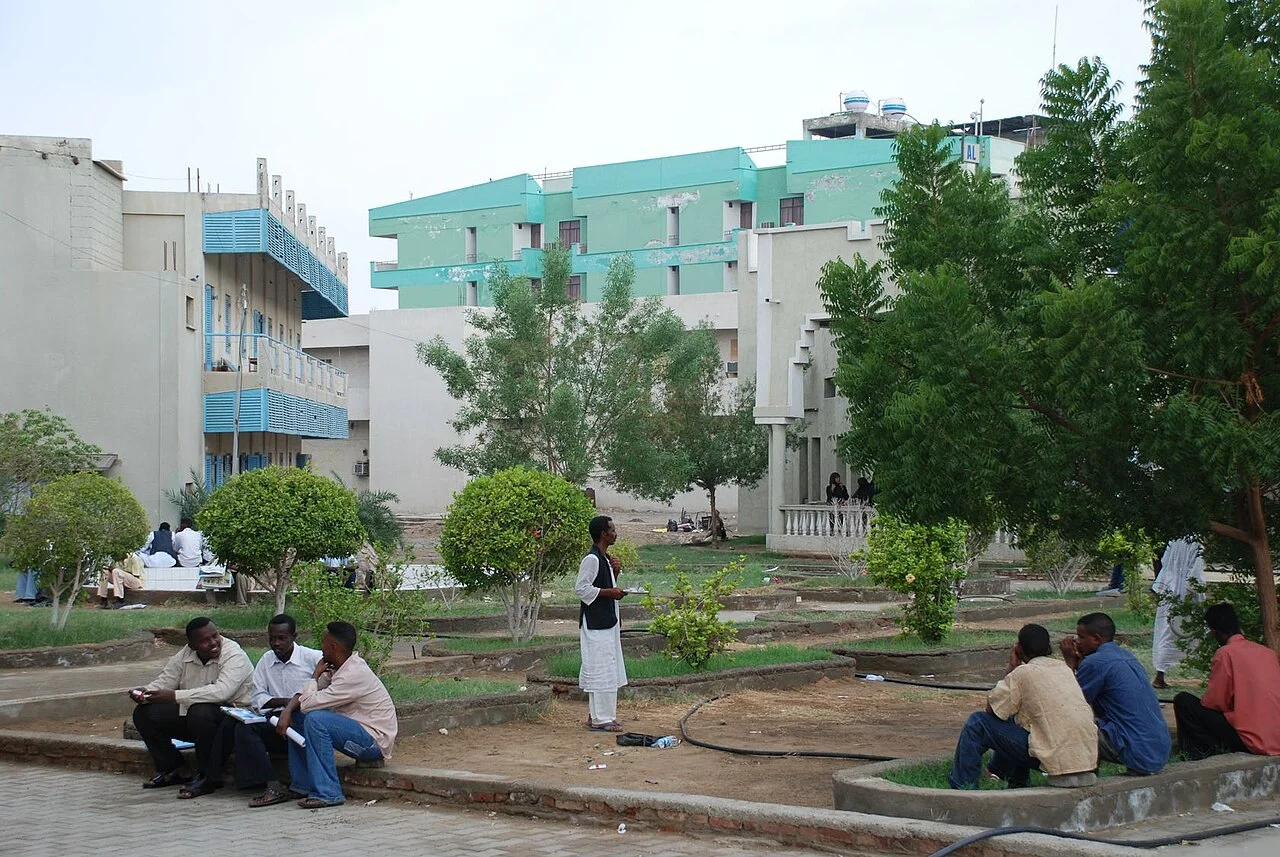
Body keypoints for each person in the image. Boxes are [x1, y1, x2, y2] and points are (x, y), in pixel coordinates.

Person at [192, 614, 323, 803]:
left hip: (303, 724)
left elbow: (324, 691)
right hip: (275, 722)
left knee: (243, 728)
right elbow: (258, 698)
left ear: (294, 636)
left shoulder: (313, 658)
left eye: (282, 638)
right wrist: (282, 701)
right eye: (272, 638)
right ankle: (263, 783)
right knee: (236, 723)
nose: (276, 643)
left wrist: (291, 706)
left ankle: (218, 778)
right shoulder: (266, 661)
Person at [949, 623, 1097, 789]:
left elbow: (992, 710)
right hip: (1087, 761)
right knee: (1019, 720)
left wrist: (1012, 666)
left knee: (978, 723)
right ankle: (1017, 782)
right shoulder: (1064, 669)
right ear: (1048, 647)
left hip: (1057, 761)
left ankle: (963, 786)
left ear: (1018, 648)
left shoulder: (1022, 673)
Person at [274, 621, 397, 808]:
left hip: (373, 744)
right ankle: (302, 785)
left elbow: (308, 703)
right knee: (298, 719)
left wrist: (314, 676)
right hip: (357, 734)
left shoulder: (353, 674)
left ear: (333, 646)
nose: (321, 648)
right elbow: (304, 696)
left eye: (323, 643)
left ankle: (329, 793)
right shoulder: (338, 667)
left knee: (315, 719)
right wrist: (288, 711)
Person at [129, 617, 253, 791]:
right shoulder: (185, 654)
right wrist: (146, 692)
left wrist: (175, 696)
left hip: (232, 722)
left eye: (215, 636)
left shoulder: (234, 654)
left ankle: (208, 777)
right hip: (196, 719)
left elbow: (222, 691)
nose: (213, 643)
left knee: (200, 712)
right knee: (145, 713)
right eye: (204, 640)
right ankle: (174, 769)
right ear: (192, 645)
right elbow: (166, 680)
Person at [1061, 612, 1170, 774]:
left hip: (1137, 751)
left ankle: (1082, 775)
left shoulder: (1096, 662)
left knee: (1069, 724)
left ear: (1097, 639)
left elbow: (1070, 701)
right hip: (1158, 748)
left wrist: (1069, 663)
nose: (1077, 642)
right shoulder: (1126, 655)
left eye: (1081, 637)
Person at [1173, 603, 1280, 760]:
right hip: (1275, 737)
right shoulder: (1267, 653)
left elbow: (1214, 703)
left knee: (1183, 702)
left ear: (1214, 632)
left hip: (1253, 740)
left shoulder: (1225, 654)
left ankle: (1197, 753)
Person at [575, 514, 629, 732]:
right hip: (596, 623)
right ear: (603, 534)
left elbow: (605, 585)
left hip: (607, 621)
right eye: (612, 530)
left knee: (607, 667)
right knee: (600, 668)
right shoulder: (592, 559)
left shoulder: (604, 559)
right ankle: (601, 719)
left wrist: (615, 572)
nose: (615, 533)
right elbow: (582, 588)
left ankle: (599, 715)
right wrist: (610, 592)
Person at [1152, 539, 1206, 688]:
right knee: (1191, 630)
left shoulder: (1174, 540)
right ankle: (1160, 675)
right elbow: (1196, 572)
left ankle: (1160, 674)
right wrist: (1192, 591)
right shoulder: (1198, 542)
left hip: (1169, 588)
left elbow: (1165, 561)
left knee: (1166, 631)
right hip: (1186, 591)